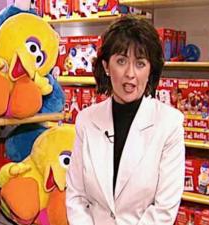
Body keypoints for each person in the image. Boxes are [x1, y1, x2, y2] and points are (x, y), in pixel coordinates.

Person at [66, 16, 185, 225]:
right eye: (121, 61)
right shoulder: (86, 120)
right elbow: (76, 196)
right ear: (106, 66)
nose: (130, 74)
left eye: (140, 63)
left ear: (151, 71)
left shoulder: (169, 124)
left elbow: (164, 209)